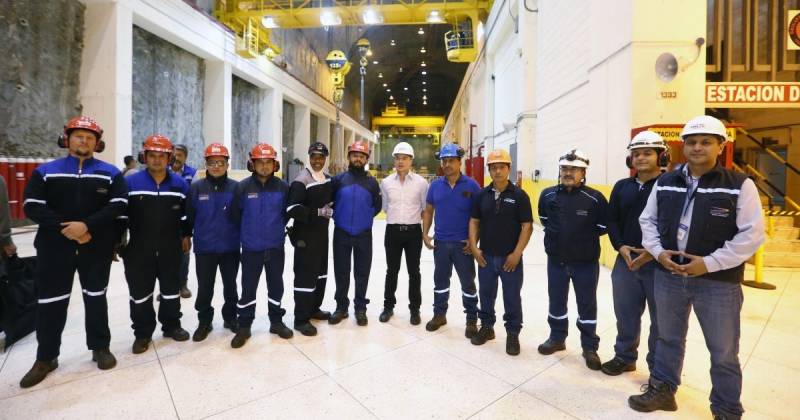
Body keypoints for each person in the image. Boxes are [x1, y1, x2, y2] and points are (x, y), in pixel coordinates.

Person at [629, 115, 765, 420]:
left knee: (723, 350)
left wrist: (709, 264)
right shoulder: (665, 182)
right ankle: (663, 389)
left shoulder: (739, 186)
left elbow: (752, 234)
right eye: (691, 142)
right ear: (683, 147)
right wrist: (658, 252)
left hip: (718, 283)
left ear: (720, 146)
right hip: (669, 275)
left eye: (706, 142)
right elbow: (647, 221)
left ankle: (727, 409)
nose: (697, 148)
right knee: (667, 337)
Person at [19, 116, 127, 387]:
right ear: (67, 139)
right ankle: (46, 357)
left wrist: (87, 227)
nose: (84, 141)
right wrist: (68, 228)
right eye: (79, 136)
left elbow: (118, 204)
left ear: (97, 143)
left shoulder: (109, 173)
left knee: (96, 297)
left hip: (95, 245)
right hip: (54, 247)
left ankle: (100, 348)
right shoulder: (46, 171)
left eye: (90, 137)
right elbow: (32, 205)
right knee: (51, 302)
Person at [601, 131, 668, 376]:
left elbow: (673, 224)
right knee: (625, 313)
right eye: (636, 154)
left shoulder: (670, 185)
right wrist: (621, 246)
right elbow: (612, 220)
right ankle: (625, 357)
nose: (641, 158)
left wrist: (653, 252)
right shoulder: (622, 187)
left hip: (660, 263)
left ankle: (658, 368)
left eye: (647, 153)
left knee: (661, 320)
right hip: (626, 261)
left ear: (661, 156)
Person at [537, 149, 608, 370]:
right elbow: (544, 219)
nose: (568, 172)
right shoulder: (547, 195)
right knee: (556, 301)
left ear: (583, 172)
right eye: (565, 168)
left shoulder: (595, 199)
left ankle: (589, 347)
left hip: (585, 263)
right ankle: (557, 338)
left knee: (587, 304)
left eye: (574, 169)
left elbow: (602, 227)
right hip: (556, 261)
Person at [122, 135, 192, 355]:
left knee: (171, 290)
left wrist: (186, 235)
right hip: (139, 247)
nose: (156, 160)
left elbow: (185, 215)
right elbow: (120, 214)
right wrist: (118, 241)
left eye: (162, 156)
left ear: (169, 158)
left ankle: (171, 325)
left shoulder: (179, 184)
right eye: (152, 155)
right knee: (140, 293)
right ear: (145, 157)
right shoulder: (131, 183)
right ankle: (142, 333)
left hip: (170, 246)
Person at [468, 149, 533, 356]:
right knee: (486, 295)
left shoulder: (520, 196)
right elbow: (474, 222)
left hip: (509, 259)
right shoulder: (481, 195)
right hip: (486, 257)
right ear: (489, 170)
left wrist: (517, 253)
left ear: (508, 169)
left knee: (512, 297)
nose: (497, 171)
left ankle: (513, 334)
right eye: (493, 167)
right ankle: (487, 327)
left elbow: (527, 226)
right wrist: (474, 247)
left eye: (501, 167)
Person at [230, 143, 292, 348]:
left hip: (275, 247)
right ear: (252, 164)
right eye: (260, 162)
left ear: (275, 164)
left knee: (276, 287)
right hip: (251, 248)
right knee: (248, 288)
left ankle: (276, 321)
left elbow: (285, 214)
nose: (264, 166)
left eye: (268, 162)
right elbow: (235, 215)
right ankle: (244, 325)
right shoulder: (243, 187)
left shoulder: (283, 187)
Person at [422, 143, 481, 338]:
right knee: (440, 282)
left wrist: (474, 242)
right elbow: (429, 210)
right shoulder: (435, 185)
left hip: (462, 246)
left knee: (468, 284)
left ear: (459, 162)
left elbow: (479, 216)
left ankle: (472, 319)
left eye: (451, 161)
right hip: (441, 243)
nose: (447, 164)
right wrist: (425, 233)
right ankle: (440, 315)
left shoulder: (472, 185)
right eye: (444, 161)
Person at [185, 143, 240, 342]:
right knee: (205, 287)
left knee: (231, 286)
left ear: (227, 164)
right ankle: (204, 321)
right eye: (212, 162)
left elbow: (242, 216)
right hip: (205, 247)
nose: (216, 166)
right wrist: (186, 236)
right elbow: (188, 216)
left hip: (230, 247)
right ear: (206, 164)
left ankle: (231, 317)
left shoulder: (236, 188)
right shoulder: (197, 188)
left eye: (220, 162)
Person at [328, 140, 382, 326]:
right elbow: (331, 203)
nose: (358, 158)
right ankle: (341, 307)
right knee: (341, 271)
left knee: (362, 272)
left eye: (362, 156)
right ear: (349, 156)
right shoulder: (338, 180)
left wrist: (364, 218)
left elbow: (377, 206)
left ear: (366, 159)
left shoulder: (372, 183)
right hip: (341, 232)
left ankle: (360, 308)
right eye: (355, 155)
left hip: (363, 234)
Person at [286, 142, 334, 336]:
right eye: (314, 157)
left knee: (320, 274)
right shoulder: (301, 180)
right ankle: (301, 318)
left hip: (322, 236)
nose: (317, 160)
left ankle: (314, 308)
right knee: (306, 277)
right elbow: (292, 208)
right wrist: (317, 212)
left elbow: (331, 202)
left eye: (321, 157)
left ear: (325, 159)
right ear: (309, 157)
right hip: (305, 238)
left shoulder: (327, 179)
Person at [378, 142, 428, 325]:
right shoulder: (385, 183)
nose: (400, 161)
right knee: (392, 271)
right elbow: (384, 207)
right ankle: (388, 307)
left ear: (411, 161)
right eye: (397, 158)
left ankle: (415, 309)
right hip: (392, 232)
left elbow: (425, 209)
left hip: (413, 232)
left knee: (414, 272)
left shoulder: (422, 184)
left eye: (404, 158)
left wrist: (425, 232)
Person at [171, 144, 197, 299]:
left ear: (185, 157)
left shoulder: (192, 174)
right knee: (165, 257)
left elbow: (193, 201)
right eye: (174, 154)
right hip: (165, 222)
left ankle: (182, 285)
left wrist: (189, 228)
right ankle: (166, 287)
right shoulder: (162, 171)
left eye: (180, 155)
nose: (176, 158)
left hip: (184, 222)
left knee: (184, 254)